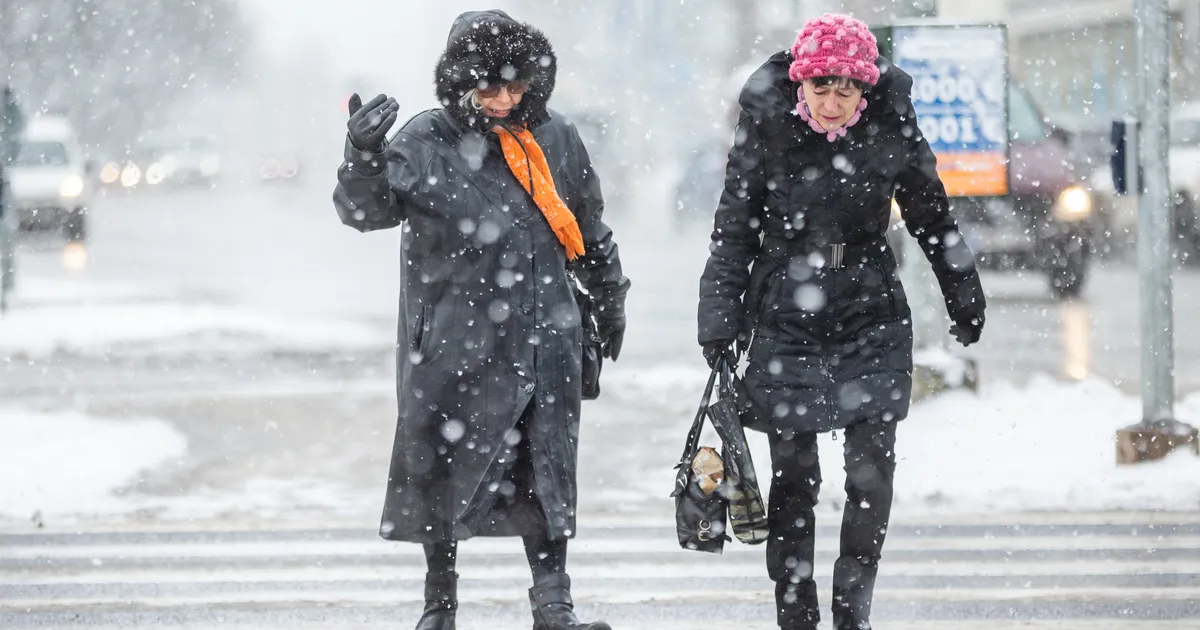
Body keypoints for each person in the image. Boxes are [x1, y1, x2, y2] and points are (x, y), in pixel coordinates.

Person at [332, 10, 628, 630]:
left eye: (516, 85)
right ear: (461, 82)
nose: (504, 98)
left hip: (545, 332)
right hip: (451, 340)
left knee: (545, 469)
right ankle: (439, 607)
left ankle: (555, 607)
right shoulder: (425, 141)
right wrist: (362, 154)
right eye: (490, 85)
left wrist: (608, 297)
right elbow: (364, 213)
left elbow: (590, 228)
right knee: (441, 471)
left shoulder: (557, 139)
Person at [696, 14, 986, 630]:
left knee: (870, 471)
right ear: (800, 85)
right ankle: (795, 609)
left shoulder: (890, 126)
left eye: (847, 89)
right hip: (785, 311)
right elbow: (733, 232)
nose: (832, 102)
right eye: (820, 88)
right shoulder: (767, 127)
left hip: (869, 307)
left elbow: (931, 213)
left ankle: (854, 610)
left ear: (865, 89)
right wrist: (718, 319)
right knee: (794, 475)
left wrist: (962, 290)